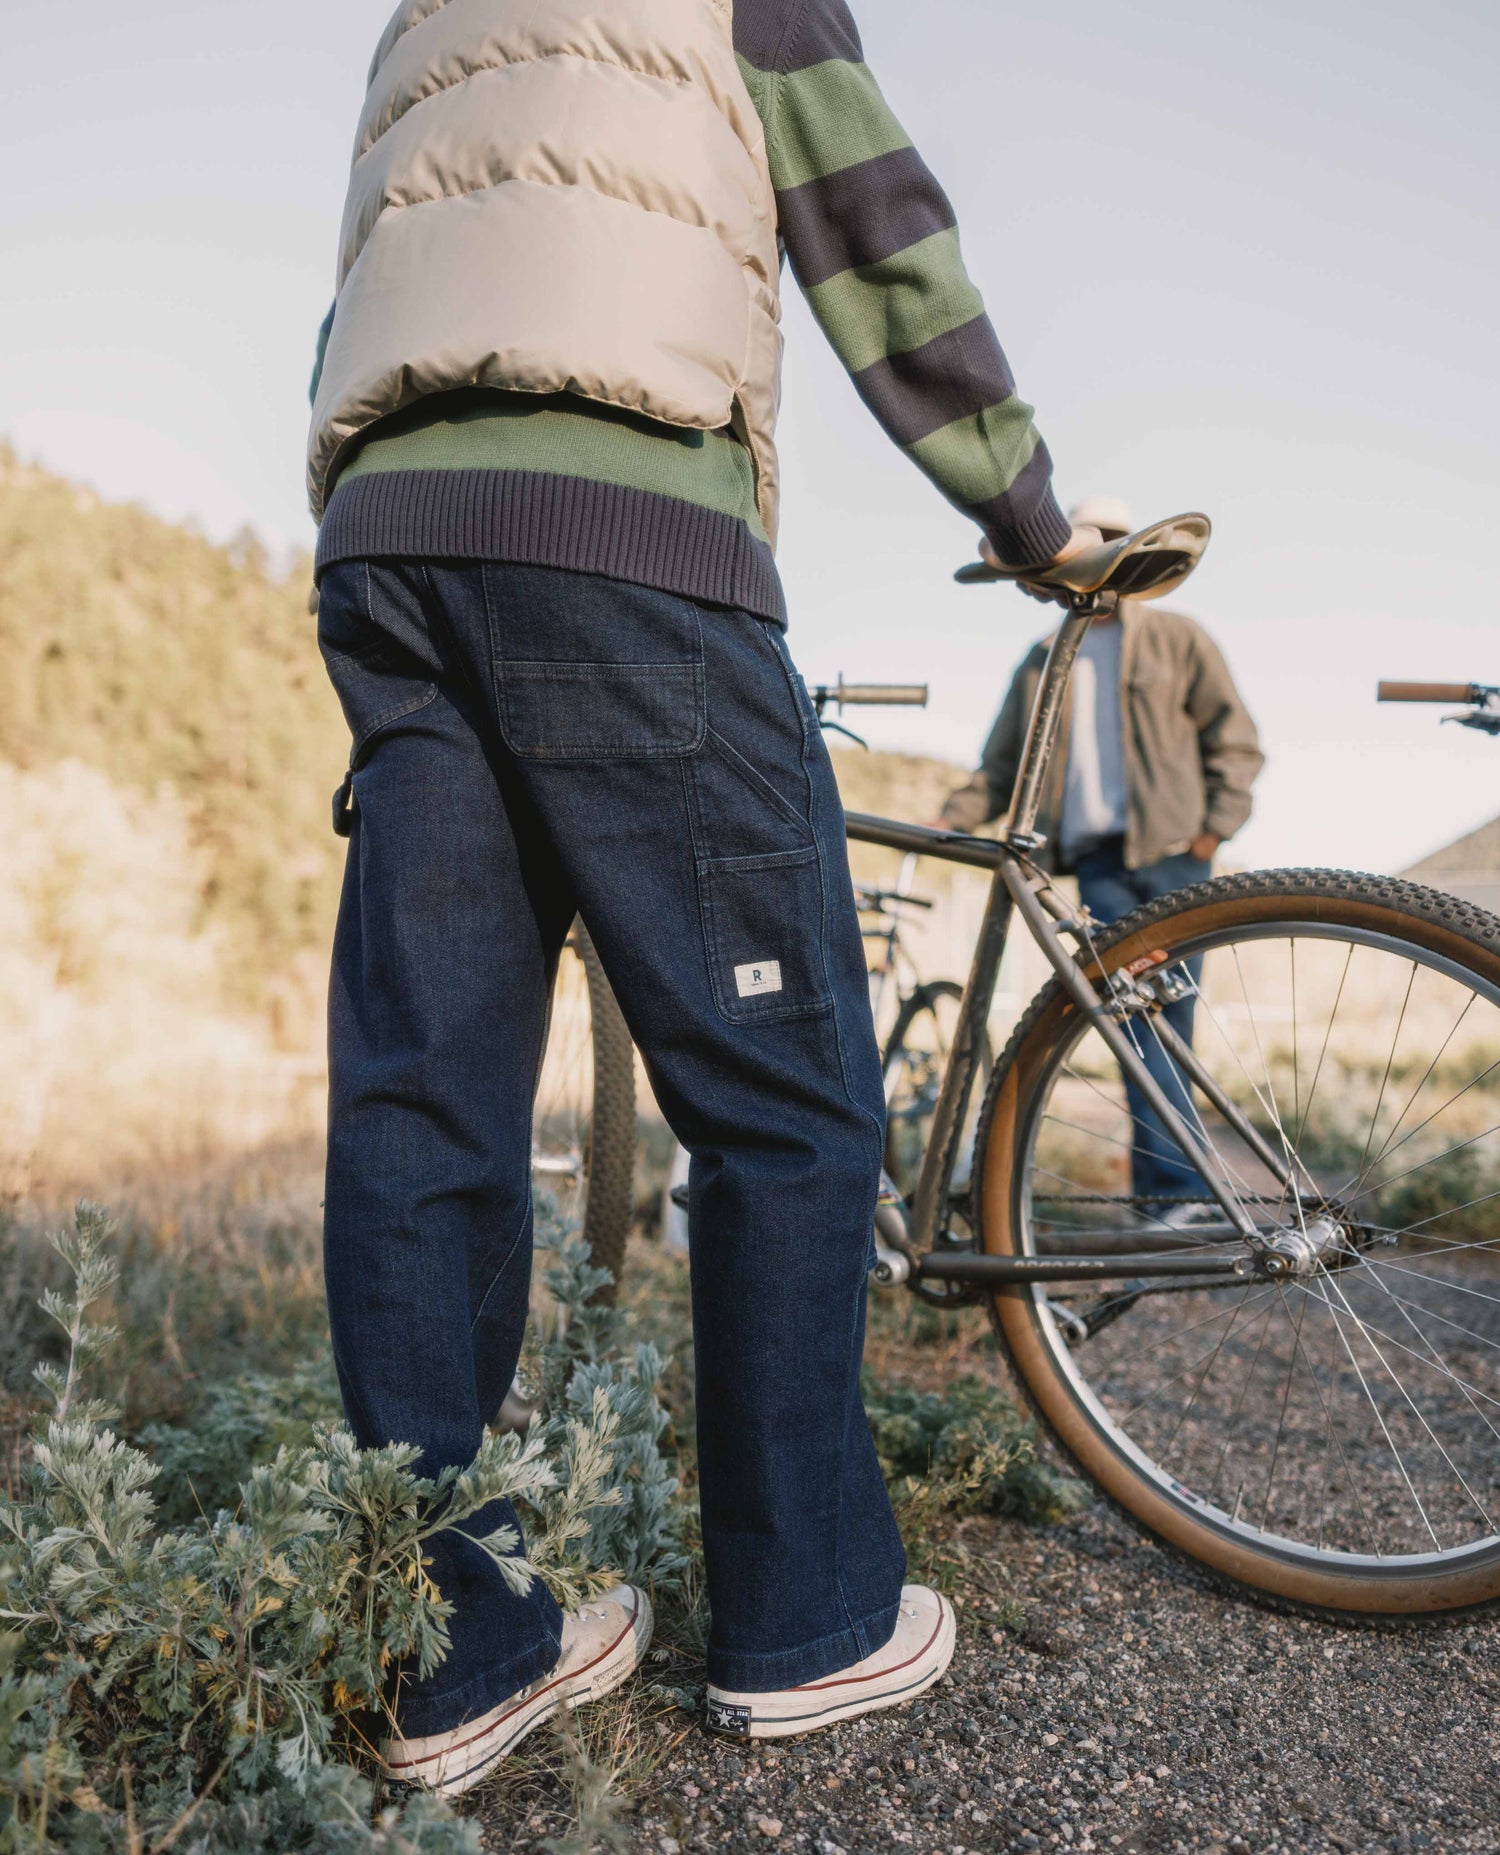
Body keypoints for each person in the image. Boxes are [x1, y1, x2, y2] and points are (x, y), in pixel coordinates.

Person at [308, 0, 1094, 1793]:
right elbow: (876, 229)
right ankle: (810, 1617)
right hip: (624, 529)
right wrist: (1031, 510)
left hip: (395, 541)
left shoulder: (429, 13)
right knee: (789, 1096)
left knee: (425, 1105)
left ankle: (457, 1648)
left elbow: (374, 276)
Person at [939, 495, 1264, 1210]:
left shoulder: (1178, 639)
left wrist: (1215, 830)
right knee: (1132, 1026)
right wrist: (946, 819)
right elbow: (1000, 768)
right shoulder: (1042, 658)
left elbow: (1235, 738)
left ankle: (1174, 1193)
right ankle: (1169, 1195)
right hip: (1096, 867)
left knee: (1168, 1021)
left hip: (1177, 857)